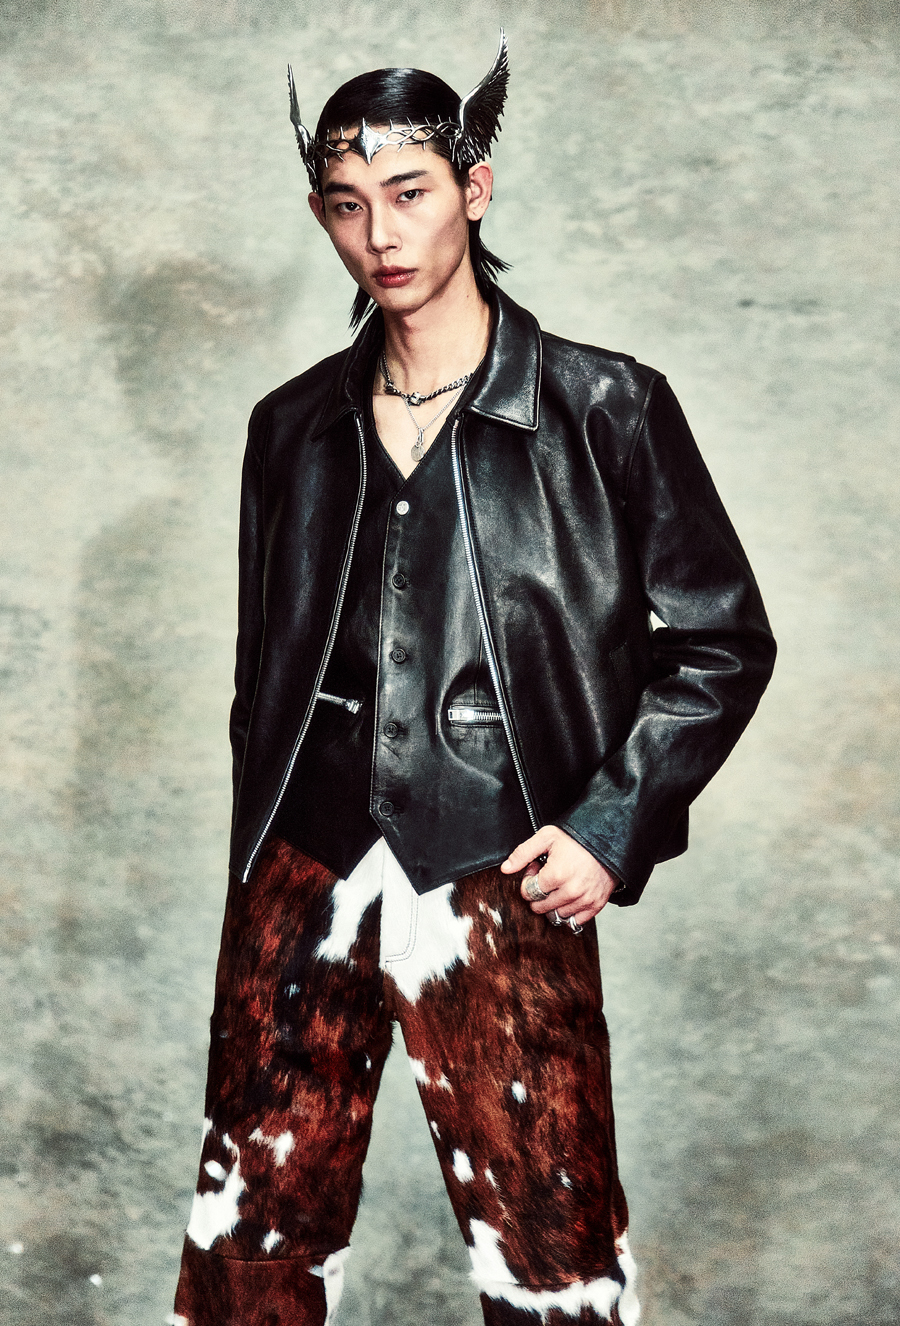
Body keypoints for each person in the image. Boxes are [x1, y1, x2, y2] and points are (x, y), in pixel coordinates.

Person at [173, 33, 775, 1326]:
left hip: (505, 869)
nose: (381, 233)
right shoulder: (290, 427)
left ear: (474, 191)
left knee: (551, 1252)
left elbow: (722, 640)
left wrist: (611, 823)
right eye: (348, 204)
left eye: (410, 193)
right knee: (247, 1240)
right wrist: (263, 862)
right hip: (304, 872)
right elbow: (261, 677)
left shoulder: (606, 407)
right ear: (323, 217)